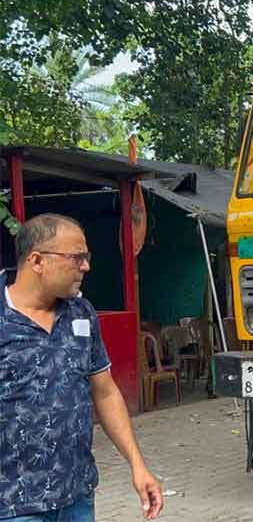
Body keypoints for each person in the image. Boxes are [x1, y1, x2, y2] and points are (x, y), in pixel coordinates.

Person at [0, 214, 163, 521]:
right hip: (12, 505)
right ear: (37, 261)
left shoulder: (81, 312)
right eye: (77, 258)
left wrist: (137, 465)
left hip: (76, 497)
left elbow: (104, 393)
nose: (85, 267)